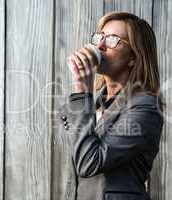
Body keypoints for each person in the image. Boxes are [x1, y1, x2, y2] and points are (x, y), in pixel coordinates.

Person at [58, 11, 165, 200]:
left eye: (112, 40)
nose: (99, 46)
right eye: (100, 37)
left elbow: (89, 163)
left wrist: (83, 88)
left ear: (134, 57)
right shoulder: (95, 104)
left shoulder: (145, 108)